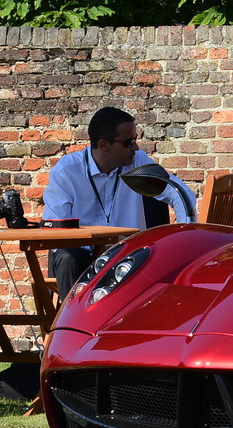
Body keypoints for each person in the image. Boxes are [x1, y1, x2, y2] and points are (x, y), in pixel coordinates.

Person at [43, 107, 197, 293]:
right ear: (104, 145)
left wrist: (184, 240)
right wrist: (100, 243)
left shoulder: (138, 161)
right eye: (128, 142)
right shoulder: (66, 172)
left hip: (127, 253)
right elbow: (56, 229)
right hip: (81, 253)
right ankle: (71, 320)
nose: (136, 147)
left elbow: (179, 192)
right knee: (68, 257)